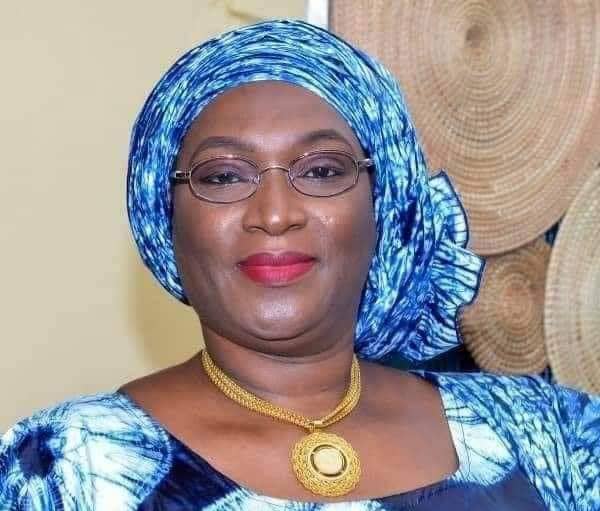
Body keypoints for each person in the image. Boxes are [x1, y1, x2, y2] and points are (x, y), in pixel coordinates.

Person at [1, 19, 598, 510]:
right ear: (167, 219)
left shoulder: (556, 436)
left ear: (383, 206)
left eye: (321, 171)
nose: (275, 213)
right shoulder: (63, 469)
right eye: (224, 176)